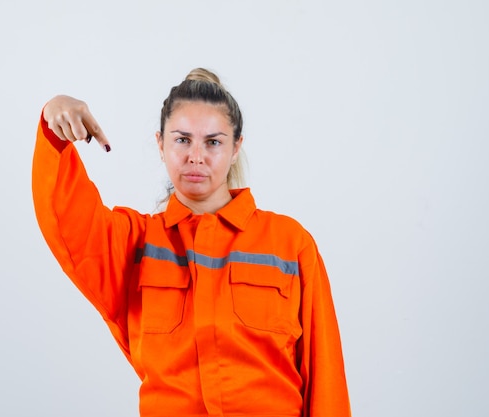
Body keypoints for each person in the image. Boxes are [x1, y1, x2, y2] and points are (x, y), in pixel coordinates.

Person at [32, 68, 350, 417]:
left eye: (213, 142)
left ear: (235, 148)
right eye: (182, 140)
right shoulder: (134, 244)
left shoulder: (290, 244)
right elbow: (67, 222)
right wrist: (53, 122)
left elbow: (326, 378)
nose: (195, 156)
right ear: (161, 144)